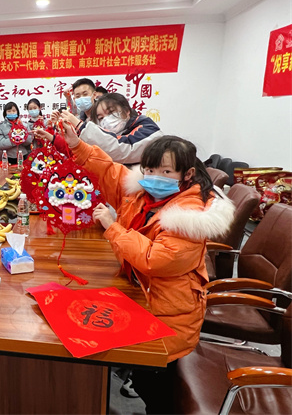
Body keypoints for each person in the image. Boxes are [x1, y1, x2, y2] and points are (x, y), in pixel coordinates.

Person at [61, 128, 235, 413]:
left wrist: (113, 227)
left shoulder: (188, 216)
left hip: (168, 313)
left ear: (187, 174)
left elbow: (155, 260)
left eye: (166, 171)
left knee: (156, 388)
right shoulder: (147, 194)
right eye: (150, 169)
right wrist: (78, 146)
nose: (155, 177)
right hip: (144, 293)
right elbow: (111, 173)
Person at [38, 93, 163, 166]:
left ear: (126, 111)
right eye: (101, 118)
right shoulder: (105, 134)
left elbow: (121, 149)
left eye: (111, 112)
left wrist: (81, 127)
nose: (106, 119)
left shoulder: (147, 127)